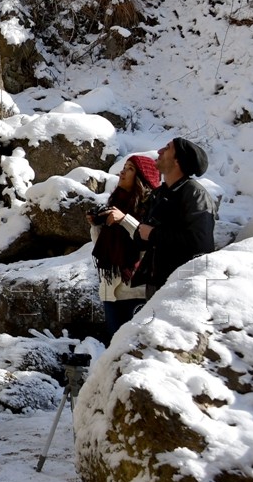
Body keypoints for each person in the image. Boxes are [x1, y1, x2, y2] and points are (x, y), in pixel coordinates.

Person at [103, 137, 217, 299]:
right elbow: (143, 236)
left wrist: (153, 234)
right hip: (155, 283)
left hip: (182, 286)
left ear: (178, 161)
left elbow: (200, 243)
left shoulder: (194, 194)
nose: (159, 151)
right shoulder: (158, 194)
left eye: (167, 148)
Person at [89, 154, 160, 336]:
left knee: (133, 350)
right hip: (110, 291)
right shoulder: (116, 202)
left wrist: (124, 219)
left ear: (142, 177)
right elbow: (101, 246)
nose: (122, 172)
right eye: (124, 167)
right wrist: (96, 224)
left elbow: (149, 240)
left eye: (130, 169)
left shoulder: (153, 207)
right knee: (114, 350)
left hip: (135, 292)